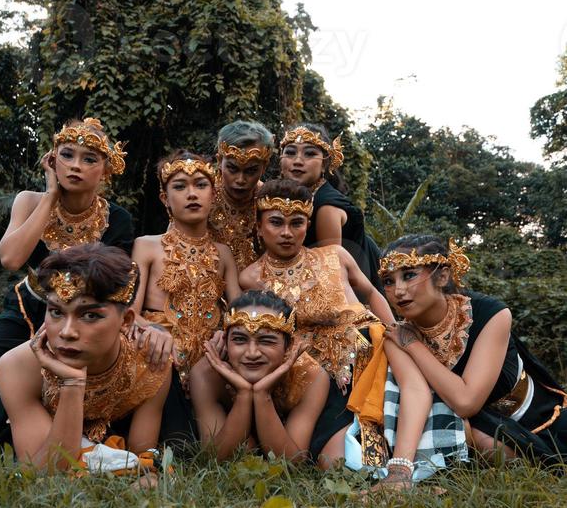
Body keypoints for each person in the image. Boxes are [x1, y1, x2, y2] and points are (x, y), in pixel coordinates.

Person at [240, 179, 429, 477]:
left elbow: (371, 293)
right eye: (276, 222)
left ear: (308, 224)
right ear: (259, 226)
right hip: (320, 372)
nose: (287, 233)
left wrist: (394, 328)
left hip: (375, 350)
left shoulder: (335, 256)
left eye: (297, 223)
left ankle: (404, 462)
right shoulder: (251, 277)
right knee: (336, 464)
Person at [380, 234, 567, 483]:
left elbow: (467, 402)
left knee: (479, 436)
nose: (398, 291)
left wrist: (413, 345)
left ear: (443, 276)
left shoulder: (490, 313)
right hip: (471, 427)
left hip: (538, 420)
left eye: (409, 275)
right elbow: (415, 394)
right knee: (464, 429)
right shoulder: (399, 334)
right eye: (388, 281)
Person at [0, 117, 133, 395]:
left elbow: (114, 282)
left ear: (105, 170)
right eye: (67, 155)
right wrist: (50, 196)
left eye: (89, 159)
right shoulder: (29, 200)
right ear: (53, 159)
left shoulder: (117, 219)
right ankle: (7, 419)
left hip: (84, 314)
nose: (75, 165)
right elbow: (10, 259)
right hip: (30, 304)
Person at [0, 243, 171, 477]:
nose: (67, 332)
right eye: (56, 312)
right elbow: (44, 473)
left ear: (126, 321)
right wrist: (72, 383)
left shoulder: (150, 361)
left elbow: (142, 458)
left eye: (90, 315)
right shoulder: (16, 366)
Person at [131, 151, 241, 389]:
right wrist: (154, 331)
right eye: (180, 187)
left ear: (213, 194)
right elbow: (128, 315)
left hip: (211, 360)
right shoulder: (147, 246)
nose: (192, 194)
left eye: (201, 185)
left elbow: (238, 313)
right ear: (164, 198)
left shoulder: (223, 253)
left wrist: (227, 332)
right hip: (158, 357)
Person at [191, 291, 330, 462]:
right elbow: (213, 458)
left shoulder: (311, 376)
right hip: (241, 441)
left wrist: (262, 394)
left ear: (289, 345)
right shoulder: (206, 374)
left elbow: (293, 462)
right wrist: (244, 394)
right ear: (226, 341)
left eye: (266, 341)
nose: (252, 353)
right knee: (247, 447)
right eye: (240, 340)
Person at [279, 122, 382, 290]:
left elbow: (331, 275)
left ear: (325, 164)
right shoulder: (286, 196)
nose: (297, 161)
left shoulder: (327, 207)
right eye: (290, 152)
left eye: (309, 154)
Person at [208, 120, 274, 271]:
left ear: (264, 167)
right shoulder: (203, 196)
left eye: (251, 171)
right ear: (219, 161)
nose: (240, 180)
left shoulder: (269, 201)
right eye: (232, 168)